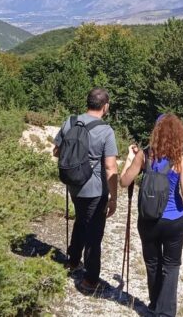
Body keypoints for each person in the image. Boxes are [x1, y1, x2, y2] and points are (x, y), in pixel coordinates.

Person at [120, 114, 183, 317]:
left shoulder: (145, 155)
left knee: (153, 263)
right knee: (171, 266)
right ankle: (165, 313)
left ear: (156, 132)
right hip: (174, 222)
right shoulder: (182, 160)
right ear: (178, 134)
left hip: (148, 220)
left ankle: (155, 304)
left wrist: (129, 159)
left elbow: (124, 181)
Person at [53, 88, 119, 291]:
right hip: (94, 191)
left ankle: (73, 261)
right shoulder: (106, 131)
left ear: (87, 102)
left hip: (73, 186)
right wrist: (114, 198)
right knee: (94, 233)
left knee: (81, 221)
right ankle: (90, 279)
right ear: (105, 106)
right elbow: (110, 167)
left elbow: (56, 151)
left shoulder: (70, 121)